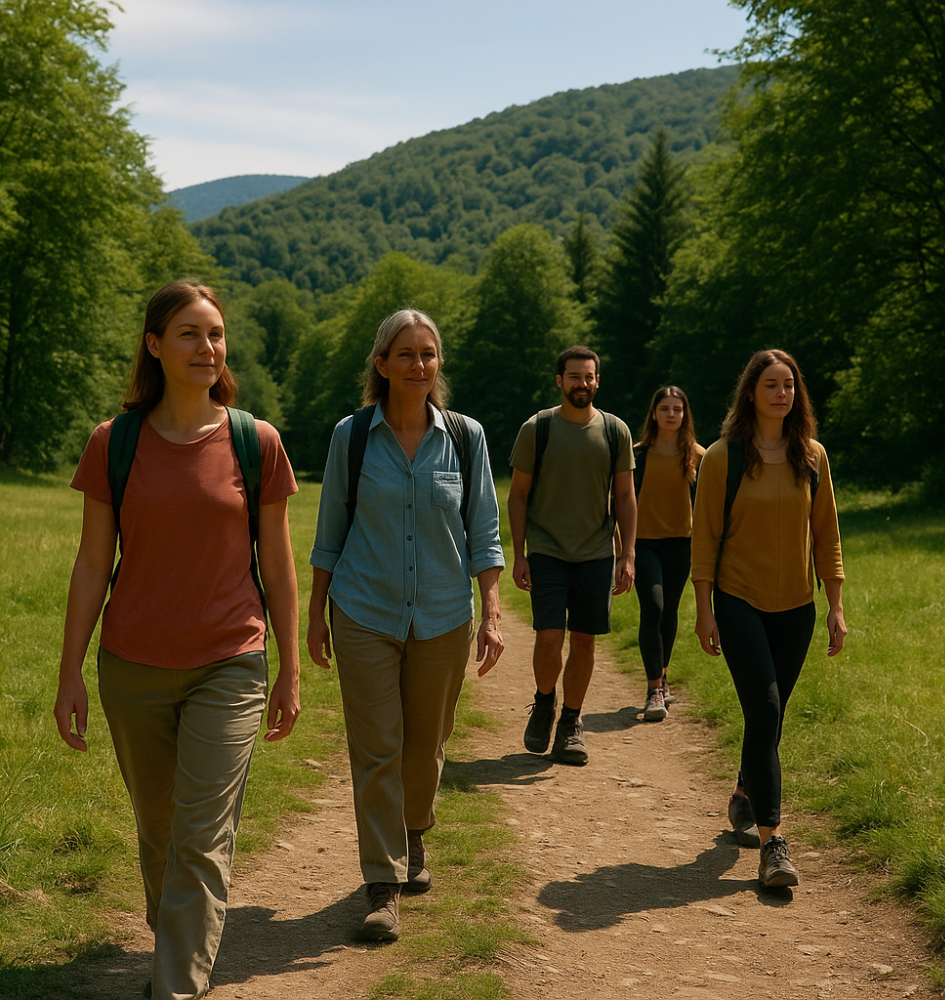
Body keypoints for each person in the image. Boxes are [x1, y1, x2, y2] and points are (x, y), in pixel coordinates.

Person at [53, 279, 302, 1000]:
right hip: (131, 666)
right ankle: (179, 950)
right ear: (155, 345)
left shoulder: (257, 442)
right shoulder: (115, 443)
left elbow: (279, 570)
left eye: (215, 333)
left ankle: (174, 988)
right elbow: (93, 562)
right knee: (160, 831)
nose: (207, 346)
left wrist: (289, 670)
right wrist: (70, 673)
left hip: (230, 664)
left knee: (200, 836)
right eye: (190, 333)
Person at [307, 309, 505, 942]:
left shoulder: (467, 438)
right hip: (364, 609)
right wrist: (316, 612)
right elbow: (329, 530)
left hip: (445, 615)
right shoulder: (353, 436)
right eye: (406, 353)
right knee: (377, 748)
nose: (418, 364)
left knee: (427, 744)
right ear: (381, 364)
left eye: (428, 353)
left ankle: (415, 833)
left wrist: (493, 614)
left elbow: (484, 534)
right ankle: (383, 883)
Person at [690, 348, 846, 889]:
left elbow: (826, 535)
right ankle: (773, 843)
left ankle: (744, 789)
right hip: (739, 599)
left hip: (798, 606)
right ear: (751, 393)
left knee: (769, 721)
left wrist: (836, 604)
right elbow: (705, 537)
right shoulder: (722, 456)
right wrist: (704, 608)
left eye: (789, 385)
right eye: (771, 385)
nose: (782, 393)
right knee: (766, 708)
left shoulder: (813, 456)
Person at [509, 345, 636, 766]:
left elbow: (624, 497)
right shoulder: (537, 429)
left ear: (598, 381)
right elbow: (519, 495)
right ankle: (544, 702)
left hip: (597, 554)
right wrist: (520, 552)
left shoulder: (615, 431)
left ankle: (570, 723)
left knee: (584, 642)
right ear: (559, 381)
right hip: (546, 551)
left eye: (589, 377)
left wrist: (627, 553)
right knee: (549, 637)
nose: (583, 383)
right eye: (574, 376)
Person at [632, 386, 706, 721]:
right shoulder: (637, 455)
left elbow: (708, 506)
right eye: (665, 408)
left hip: (681, 544)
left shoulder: (698, 456)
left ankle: (662, 676)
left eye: (677, 409)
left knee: (670, 611)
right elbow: (621, 501)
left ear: (685, 414)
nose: (671, 414)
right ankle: (653, 690)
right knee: (654, 606)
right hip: (644, 544)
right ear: (654, 413)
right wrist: (623, 550)